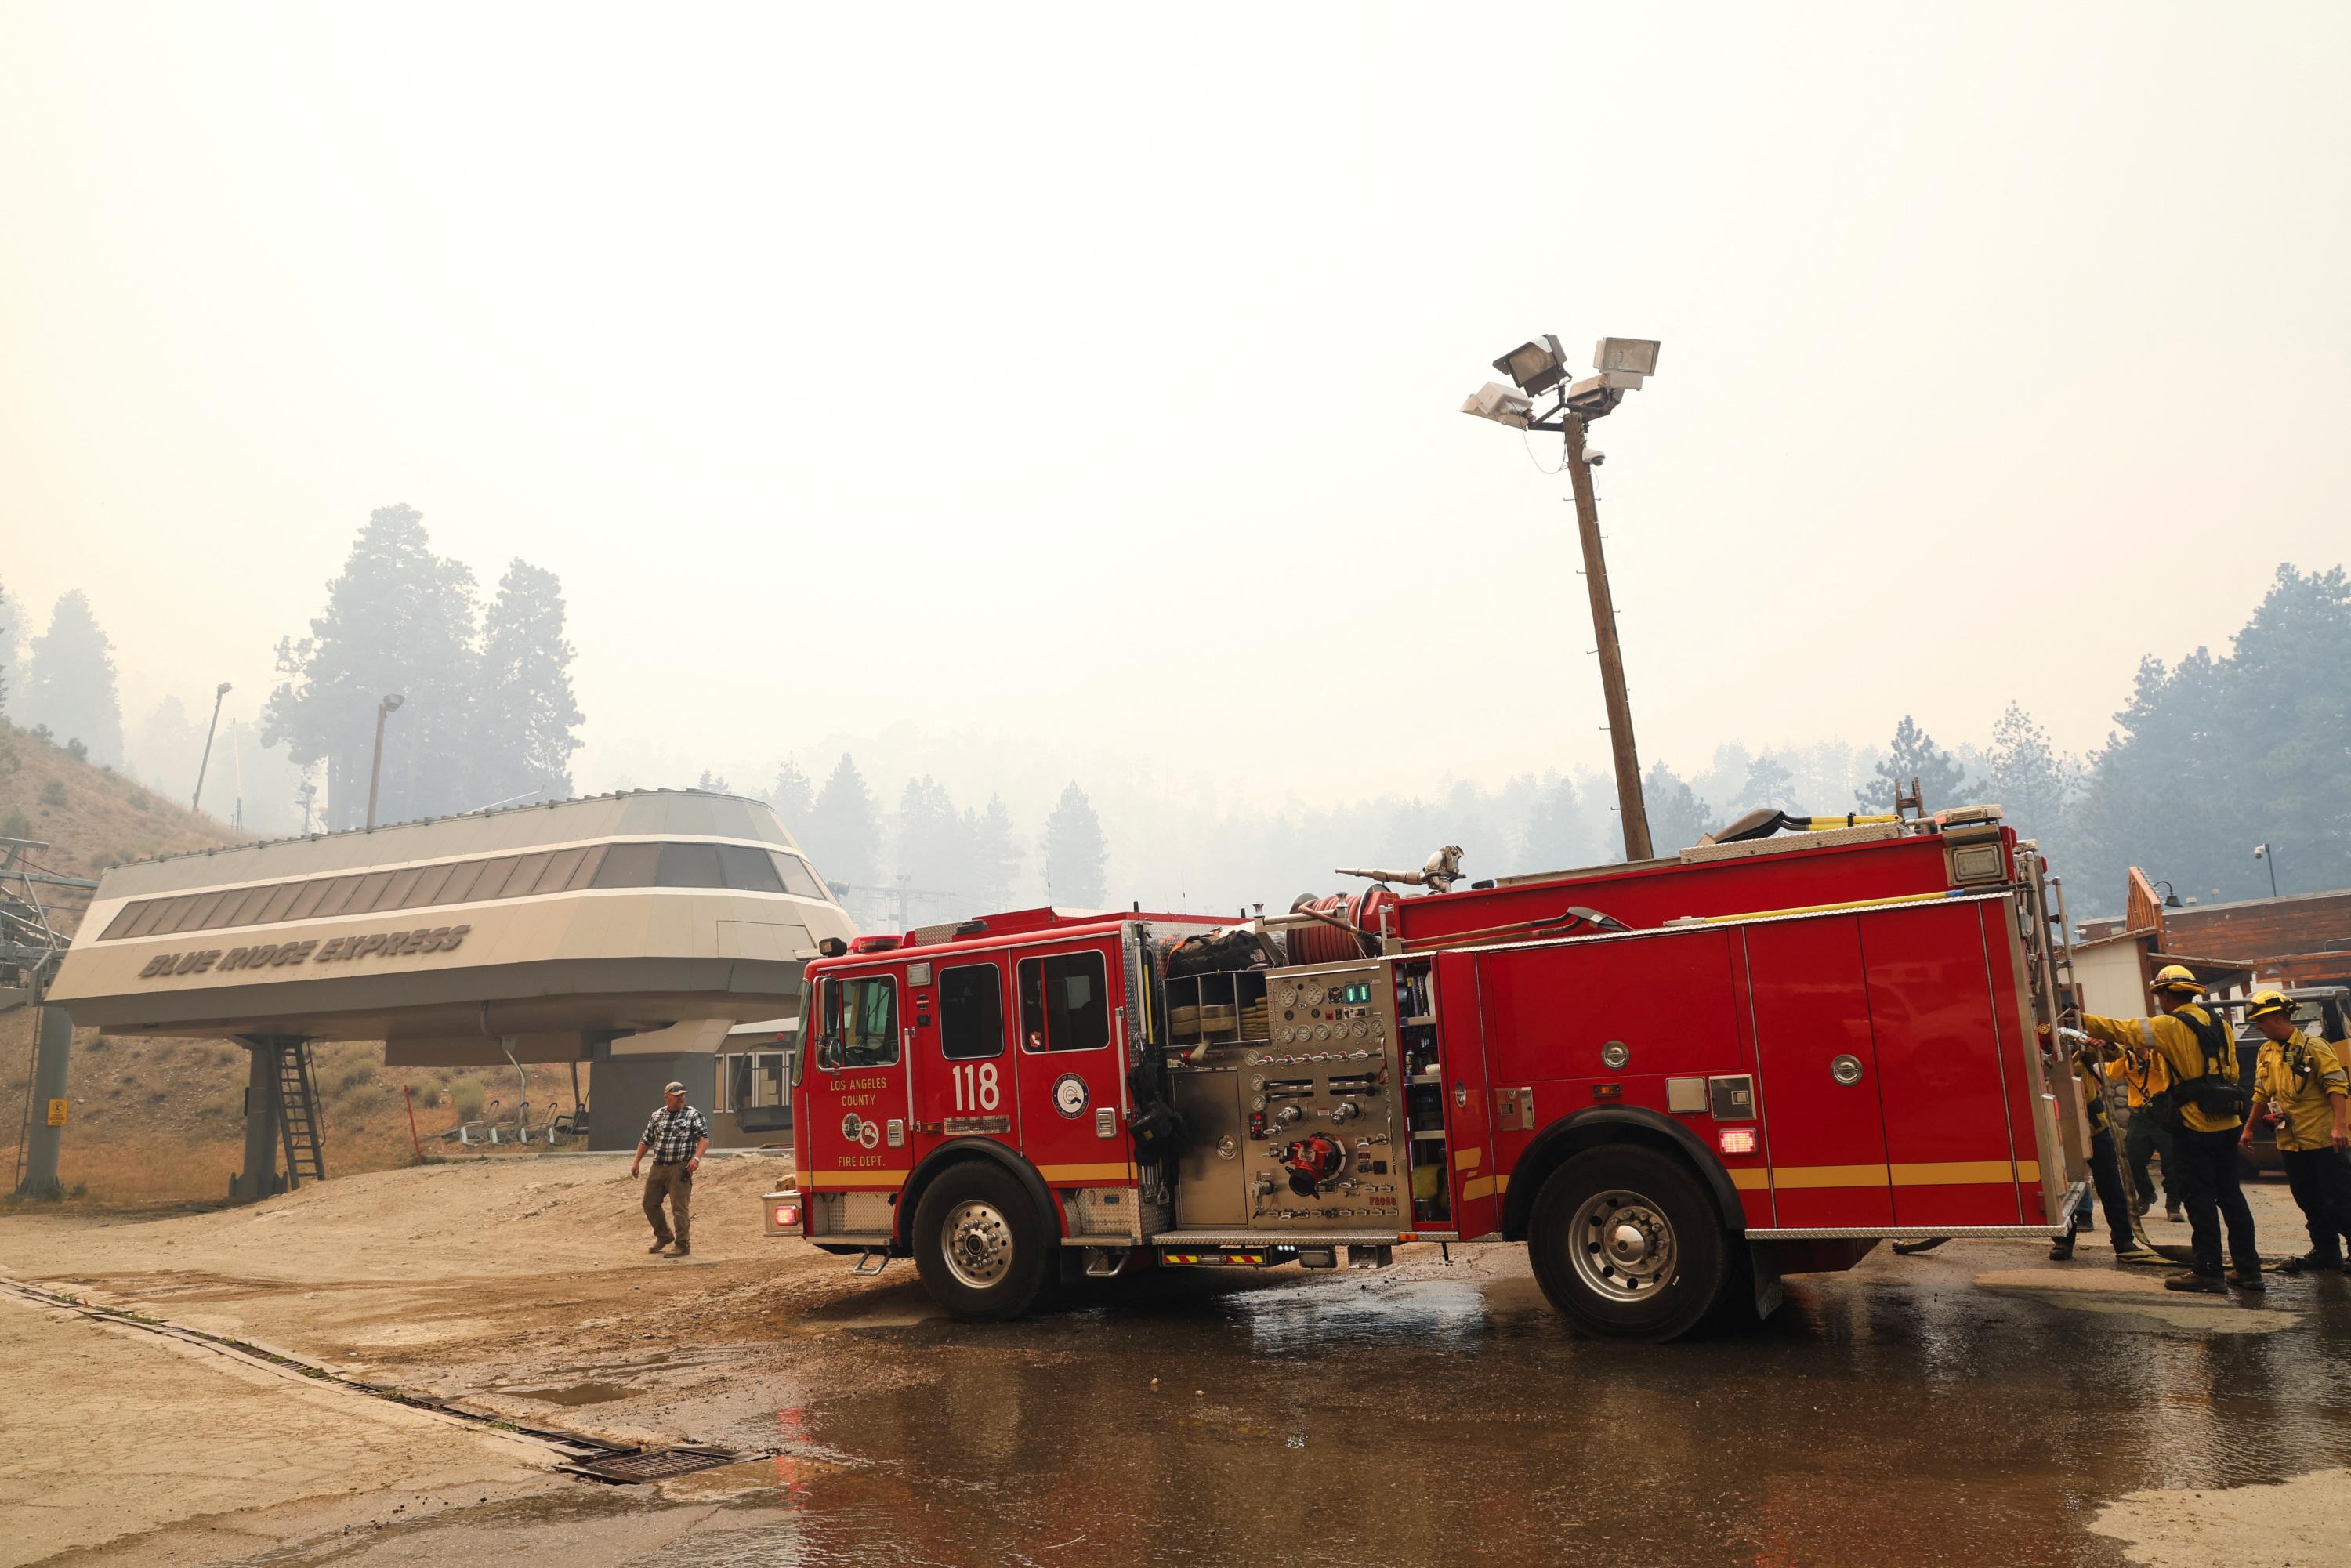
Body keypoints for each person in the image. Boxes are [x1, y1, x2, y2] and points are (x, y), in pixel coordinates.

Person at [2079, 965, 2261, 1295]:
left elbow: (2124, 1030)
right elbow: (2232, 1073)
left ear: (2165, 994)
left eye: (2159, 995)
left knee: (2199, 1198)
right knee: (2231, 1195)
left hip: (2193, 1124)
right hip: (2228, 1122)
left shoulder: (2169, 1026)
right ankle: (2249, 1270)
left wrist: (2077, 1018)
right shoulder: (2220, 1023)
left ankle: (2208, 1271)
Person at [2241, 990, 2351, 1275]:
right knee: (2309, 1200)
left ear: (2277, 1017)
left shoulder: (2315, 1047)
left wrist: (2339, 1126)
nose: (2257, 1026)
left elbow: (2337, 1087)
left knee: (2339, 1199)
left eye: (2260, 1020)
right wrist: (2250, 1127)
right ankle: (2326, 1252)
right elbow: (2261, 1093)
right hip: (2291, 1144)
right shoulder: (2267, 1051)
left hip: (2323, 1141)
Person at [2052, 1038, 2168, 1266]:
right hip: (2057, 1129)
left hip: (2094, 1126)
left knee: (2111, 1184)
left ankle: (2123, 1240)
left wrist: (2099, 1040)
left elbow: (2115, 1054)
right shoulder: (2032, 1051)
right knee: (2060, 1187)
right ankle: (2063, 1240)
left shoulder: (2076, 1046)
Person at [2105, 1037, 2181, 1223]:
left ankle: (2173, 1205)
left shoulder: (2158, 1055)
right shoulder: (2127, 1058)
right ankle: (2146, 1194)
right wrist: (2125, 1053)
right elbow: (2113, 1074)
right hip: (2140, 1115)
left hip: (2163, 1114)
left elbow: (2165, 1073)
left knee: (2172, 1162)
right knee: (2132, 1160)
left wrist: (2145, 1054)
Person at [631, 1080, 708, 1257]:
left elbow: (704, 1138)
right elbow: (646, 1140)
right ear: (667, 1098)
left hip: (680, 1166)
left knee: (679, 1208)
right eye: (677, 1096)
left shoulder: (692, 1115)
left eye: (683, 1095)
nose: (681, 1098)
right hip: (658, 1166)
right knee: (649, 1203)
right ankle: (664, 1235)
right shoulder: (657, 1115)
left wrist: (696, 1158)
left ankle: (682, 1245)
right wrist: (636, 1162)